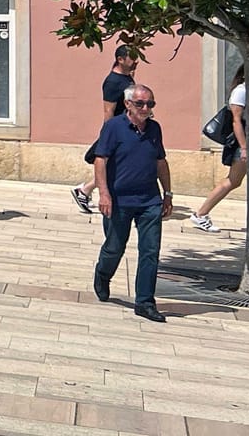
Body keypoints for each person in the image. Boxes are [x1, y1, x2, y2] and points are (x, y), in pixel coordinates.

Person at [90, 83, 172, 322]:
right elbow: (100, 160)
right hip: (119, 200)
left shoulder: (154, 129)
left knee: (150, 251)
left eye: (150, 104)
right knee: (115, 246)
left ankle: (145, 302)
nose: (145, 108)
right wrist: (104, 193)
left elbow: (160, 162)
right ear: (127, 104)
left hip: (149, 200)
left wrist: (168, 194)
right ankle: (103, 273)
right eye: (140, 103)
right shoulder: (113, 127)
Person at [192, 68, 249, 238]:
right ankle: (200, 214)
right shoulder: (241, 91)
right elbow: (236, 121)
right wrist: (244, 147)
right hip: (247, 144)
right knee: (238, 181)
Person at [73, 45, 140, 213]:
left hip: (129, 126)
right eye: (132, 57)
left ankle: (85, 190)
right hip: (118, 129)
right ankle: (85, 190)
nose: (135, 60)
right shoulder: (112, 82)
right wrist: (109, 135)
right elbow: (108, 110)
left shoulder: (127, 78)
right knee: (112, 166)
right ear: (120, 59)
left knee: (117, 166)